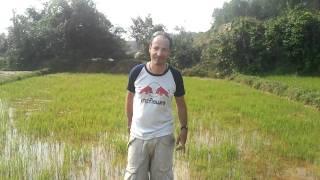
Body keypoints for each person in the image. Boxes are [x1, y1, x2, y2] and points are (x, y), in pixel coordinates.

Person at [124, 31, 188, 180]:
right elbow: (129, 99)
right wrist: (129, 123)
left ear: (169, 52)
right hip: (138, 135)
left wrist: (184, 129)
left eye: (164, 49)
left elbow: (181, 105)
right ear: (150, 48)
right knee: (133, 177)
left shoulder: (175, 75)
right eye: (156, 48)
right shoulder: (137, 72)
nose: (159, 53)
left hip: (163, 135)